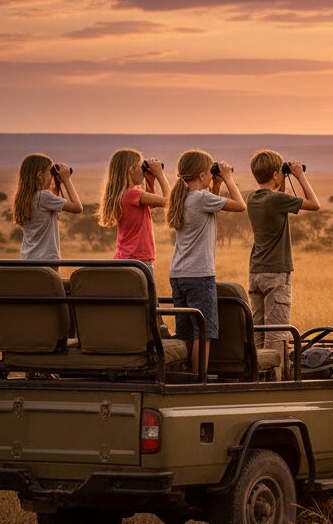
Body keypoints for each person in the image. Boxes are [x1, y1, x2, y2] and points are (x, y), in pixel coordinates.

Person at [167, 150, 246, 376]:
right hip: (199, 275)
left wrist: (216, 184)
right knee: (204, 332)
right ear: (203, 175)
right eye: (209, 175)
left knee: (184, 332)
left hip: (178, 274)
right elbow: (240, 205)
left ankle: (180, 376)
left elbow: (210, 208)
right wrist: (229, 178)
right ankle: (198, 381)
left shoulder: (182, 197)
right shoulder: (201, 198)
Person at [245, 150, 320, 351]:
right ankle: (276, 377)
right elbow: (315, 204)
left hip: (256, 273)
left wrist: (283, 176)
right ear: (276, 175)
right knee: (277, 333)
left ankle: (258, 376)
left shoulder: (252, 198)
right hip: (276, 273)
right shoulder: (275, 200)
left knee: (258, 331)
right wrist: (300, 176)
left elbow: (278, 194)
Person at [97, 149, 169, 269]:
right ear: (132, 169)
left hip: (125, 258)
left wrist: (150, 181)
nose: (143, 171)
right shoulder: (133, 194)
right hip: (138, 261)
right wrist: (160, 174)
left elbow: (149, 206)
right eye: (142, 167)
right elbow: (169, 202)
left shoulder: (123, 194)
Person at [11, 153, 83, 260]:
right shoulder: (43, 197)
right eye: (51, 171)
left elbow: (53, 200)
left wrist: (58, 182)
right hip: (46, 259)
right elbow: (77, 207)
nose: (53, 175)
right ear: (40, 175)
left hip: (27, 258)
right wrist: (67, 180)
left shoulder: (26, 197)